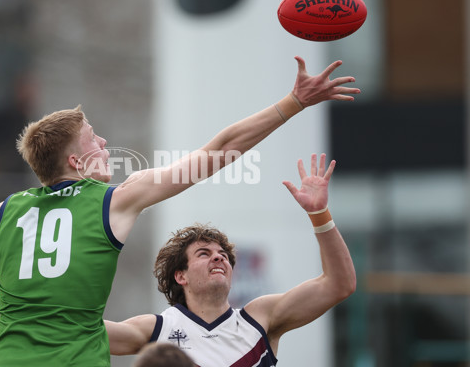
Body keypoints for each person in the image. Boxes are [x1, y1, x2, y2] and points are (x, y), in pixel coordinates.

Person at [0, 57, 359, 367]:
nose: (104, 142)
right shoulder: (115, 199)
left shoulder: (5, 212)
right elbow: (213, 154)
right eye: (92, 139)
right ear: (74, 161)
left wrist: (31, 295)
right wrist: (293, 102)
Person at [105, 154, 356, 367]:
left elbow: (339, 284)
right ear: (181, 276)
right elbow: (80, 331)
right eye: (204, 253)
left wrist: (319, 214)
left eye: (223, 255)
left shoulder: (259, 318)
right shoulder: (157, 328)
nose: (218, 257)